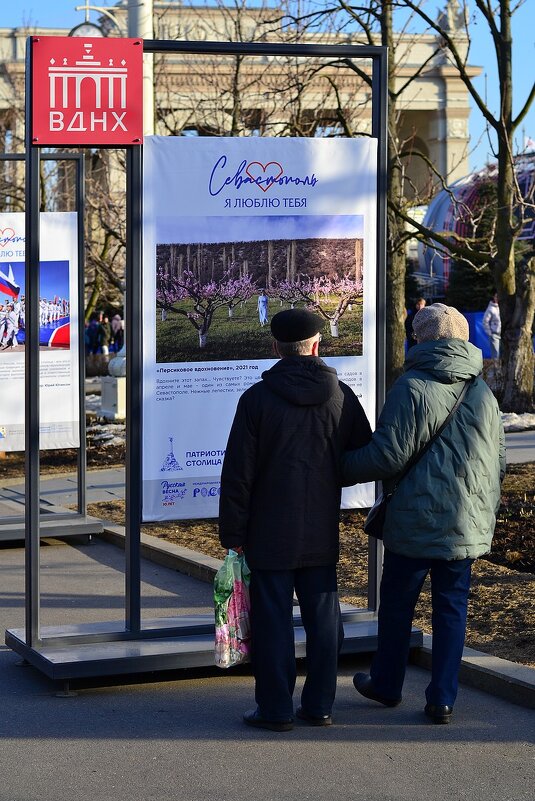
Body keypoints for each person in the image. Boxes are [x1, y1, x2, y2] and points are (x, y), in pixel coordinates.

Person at [342, 303, 505, 724]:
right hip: (465, 522)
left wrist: (332, 467)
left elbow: (386, 457)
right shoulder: (483, 392)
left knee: (397, 604)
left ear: (420, 338)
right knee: (452, 608)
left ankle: (387, 684)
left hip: (415, 519)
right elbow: (499, 461)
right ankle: (443, 699)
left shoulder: (412, 386)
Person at [219, 308, 372, 732]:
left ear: (275, 348)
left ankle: (275, 709)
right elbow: (363, 454)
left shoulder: (256, 399)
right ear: (317, 345)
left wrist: (233, 533)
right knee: (325, 619)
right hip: (319, 525)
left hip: (267, 532)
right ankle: (320, 704)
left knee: (272, 623)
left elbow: (238, 473)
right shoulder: (341, 395)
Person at [482, 291, 501, 359]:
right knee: (496, 355)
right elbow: (485, 321)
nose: (497, 298)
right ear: (494, 297)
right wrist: (490, 333)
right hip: (495, 335)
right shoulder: (491, 309)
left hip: (504, 334)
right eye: (496, 296)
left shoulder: (503, 307)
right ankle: (496, 369)